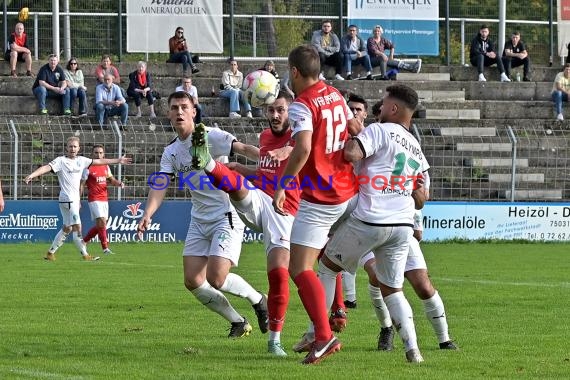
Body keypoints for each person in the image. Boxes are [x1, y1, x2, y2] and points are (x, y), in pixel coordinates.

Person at [137, 91, 268, 339]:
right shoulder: (172, 151)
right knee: (193, 280)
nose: (179, 112)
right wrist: (148, 213)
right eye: (174, 108)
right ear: (168, 114)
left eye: (184, 107)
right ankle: (238, 322)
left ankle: (259, 299)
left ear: (193, 111)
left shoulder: (211, 136)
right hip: (199, 218)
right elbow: (161, 183)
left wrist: (271, 158)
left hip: (225, 214)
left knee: (216, 278)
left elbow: (242, 148)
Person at [318, 84, 429, 363]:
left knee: (327, 265)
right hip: (402, 225)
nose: (378, 109)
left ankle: (318, 333)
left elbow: (351, 155)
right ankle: (413, 350)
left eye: (383, 104)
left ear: (394, 108)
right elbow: (422, 198)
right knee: (393, 289)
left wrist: (354, 134)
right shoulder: (416, 147)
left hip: (372, 218)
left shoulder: (379, 130)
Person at [272, 44, 362, 365]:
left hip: (321, 197)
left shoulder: (301, 105)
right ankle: (321, 325)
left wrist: (283, 184)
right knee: (324, 260)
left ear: (294, 72)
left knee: (299, 268)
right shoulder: (335, 94)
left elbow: (303, 148)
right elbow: (356, 129)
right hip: (348, 192)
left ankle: (323, 336)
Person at [191, 90, 299, 357]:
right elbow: (266, 173)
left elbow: (305, 150)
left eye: (280, 110)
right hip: (261, 198)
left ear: (291, 111)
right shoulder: (264, 137)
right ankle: (209, 164)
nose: (274, 115)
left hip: (284, 209)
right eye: (270, 110)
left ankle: (274, 340)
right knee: (236, 188)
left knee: (278, 275)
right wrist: (243, 168)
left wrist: (288, 148)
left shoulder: (299, 135)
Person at [23, 136, 131, 261]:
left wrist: (118, 160)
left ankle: (50, 253)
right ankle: (85, 255)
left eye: (75, 146)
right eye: (70, 146)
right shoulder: (61, 161)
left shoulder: (82, 160)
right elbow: (46, 167)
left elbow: (100, 162)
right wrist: (32, 175)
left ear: (79, 148)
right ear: (66, 148)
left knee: (67, 227)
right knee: (77, 227)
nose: (72, 149)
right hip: (68, 199)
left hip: (70, 200)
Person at [81, 145, 125, 255]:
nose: (98, 155)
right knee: (101, 222)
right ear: (92, 154)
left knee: (101, 225)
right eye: (96, 153)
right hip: (94, 198)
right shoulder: (88, 167)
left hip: (104, 199)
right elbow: (81, 184)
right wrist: (78, 198)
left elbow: (112, 180)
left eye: (100, 153)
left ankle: (84, 241)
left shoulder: (105, 166)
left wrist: (119, 183)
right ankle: (105, 249)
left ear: (104, 154)